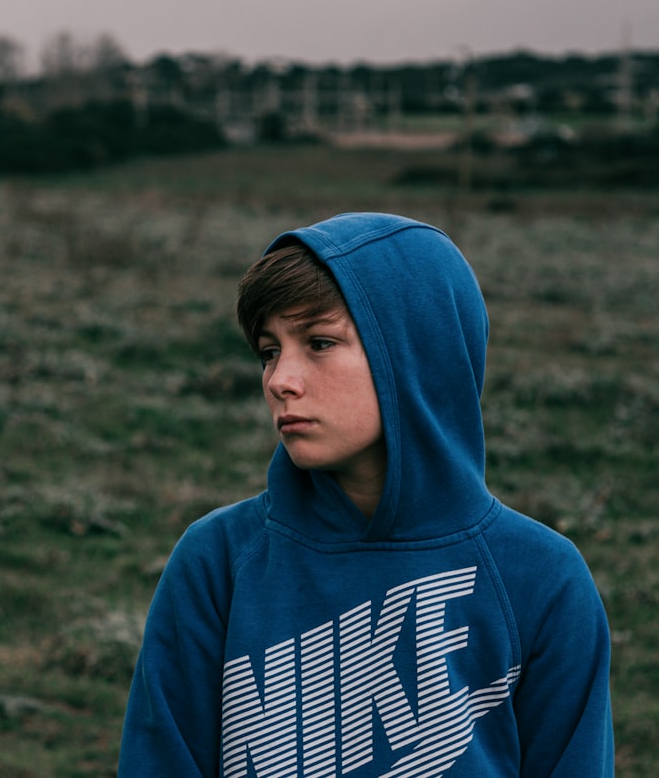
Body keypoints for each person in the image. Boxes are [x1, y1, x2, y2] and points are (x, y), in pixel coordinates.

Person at [117, 212, 613, 777]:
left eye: (319, 342)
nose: (280, 379)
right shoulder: (218, 562)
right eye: (269, 351)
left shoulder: (542, 579)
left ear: (416, 354)